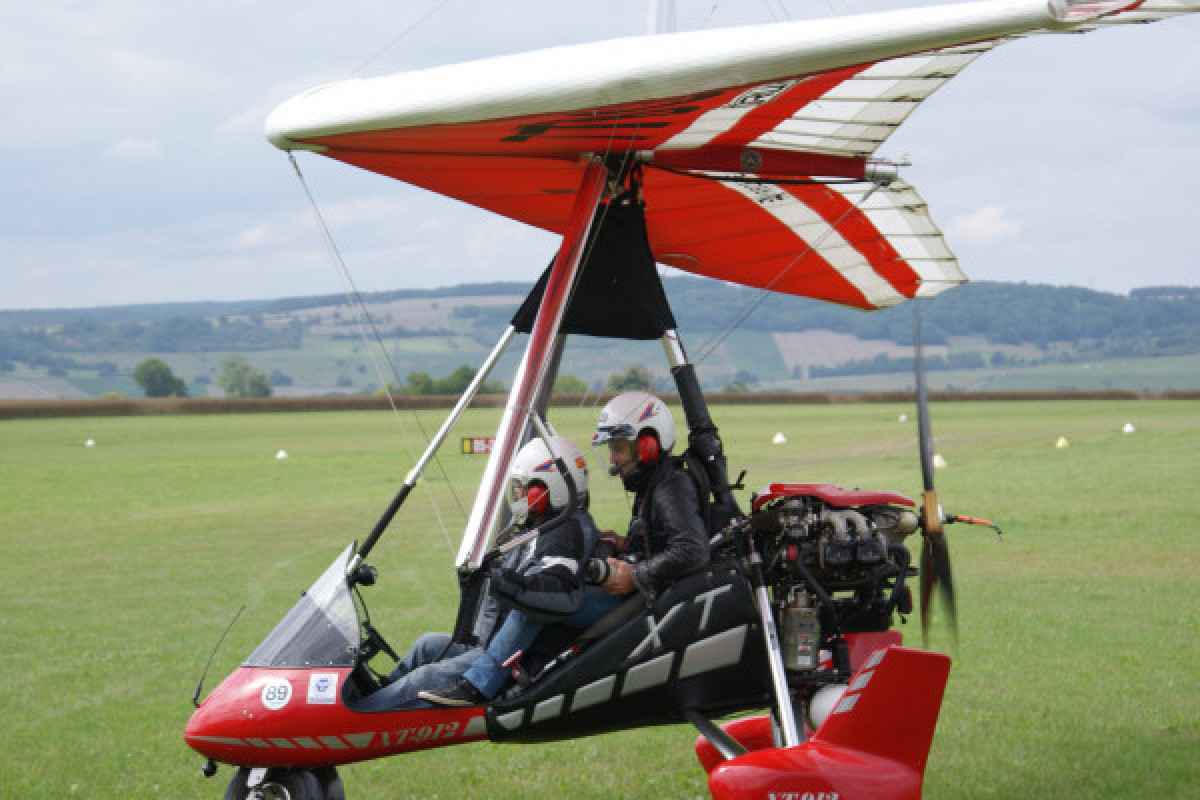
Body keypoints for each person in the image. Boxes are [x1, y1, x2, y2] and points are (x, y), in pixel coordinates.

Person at [419, 434, 597, 707]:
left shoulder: (562, 533)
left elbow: (549, 589)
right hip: (489, 641)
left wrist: (505, 582)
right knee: (426, 645)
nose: (517, 495)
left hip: (506, 655)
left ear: (547, 490)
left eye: (522, 488)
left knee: (425, 676)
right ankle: (377, 690)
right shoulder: (539, 528)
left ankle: (372, 708)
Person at [589, 391, 710, 599]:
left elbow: (692, 549)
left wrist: (635, 576)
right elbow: (658, 540)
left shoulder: (671, 486)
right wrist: (625, 543)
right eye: (611, 449)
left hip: (653, 599)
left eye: (618, 448)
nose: (612, 459)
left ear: (648, 446)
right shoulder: (653, 481)